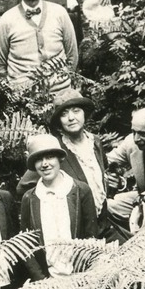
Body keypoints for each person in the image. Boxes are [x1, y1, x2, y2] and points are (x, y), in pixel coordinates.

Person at [0, 0, 78, 92]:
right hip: (24, 97)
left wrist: (63, 82)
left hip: (61, 93)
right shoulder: (7, 20)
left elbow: (72, 55)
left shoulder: (59, 13)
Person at [19, 131, 97, 275]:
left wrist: (84, 274)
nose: (45, 164)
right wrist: (40, 279)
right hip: (47, 282)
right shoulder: (29, 199)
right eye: (38, 159)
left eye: (49, 157)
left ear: (59, 158)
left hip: (80, 277)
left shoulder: (81, 191)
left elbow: (91, 238)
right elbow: (26, 245)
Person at [47, 84, 110, 233]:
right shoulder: (55, 148)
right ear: (59, 121)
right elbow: (25, 186)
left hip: (103, 223)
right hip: (76, 229)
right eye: (64, 114)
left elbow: (102, 177)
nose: (71, 118)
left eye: (76, 111)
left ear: (84, 114)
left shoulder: (95, 142)